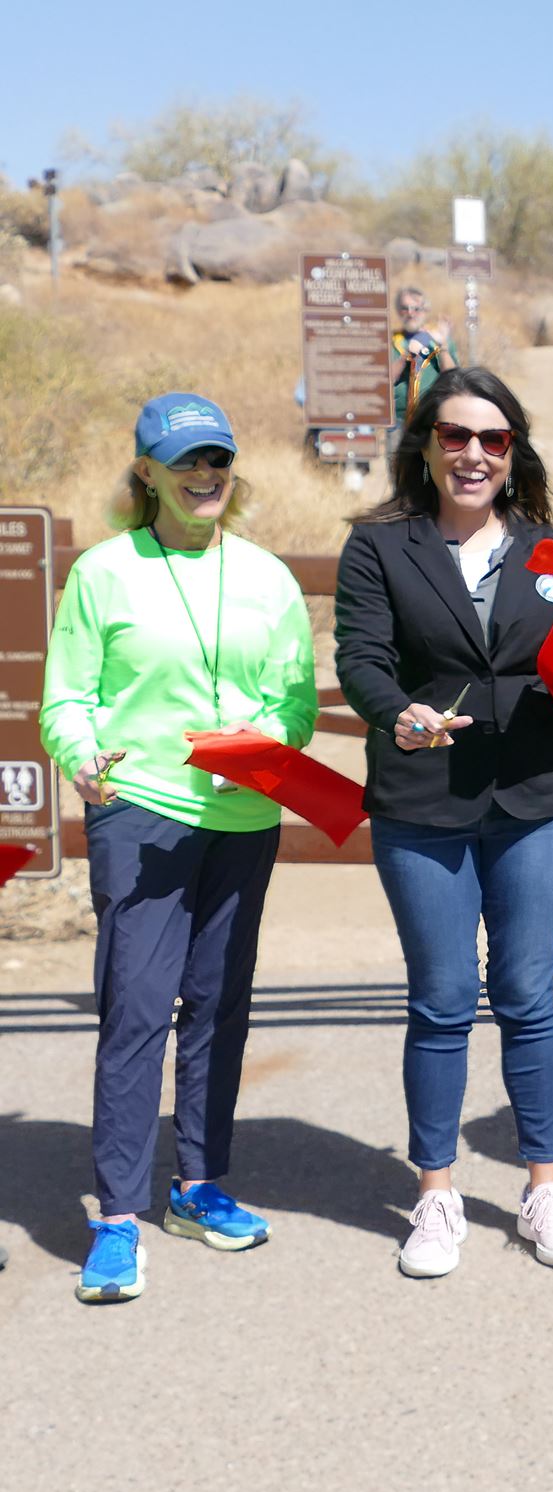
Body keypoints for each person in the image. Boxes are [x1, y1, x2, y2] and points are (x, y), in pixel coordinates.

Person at [38, 393, 318, 1304]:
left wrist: (265, 745)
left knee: (219, 1007)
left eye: (219, 460)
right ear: (147, 471)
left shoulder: (270, 578)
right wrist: (83, 758)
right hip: (141, 810)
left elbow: (298, 705)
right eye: (187, 461)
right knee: (136, 1012)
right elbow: (67, 699)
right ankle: (116, 1216)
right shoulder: (104, 572)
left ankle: (200, 1186)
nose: (207, 476)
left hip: (242, 817)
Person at [333, 367, 553, 1280]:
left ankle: (543, 1190)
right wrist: (395, 712)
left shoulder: (552, 550)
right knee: (442, 999)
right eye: (456, 436)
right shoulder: (379, 547)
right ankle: (437, 1194)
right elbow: (362, 658)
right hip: (423, 799)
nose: (474, 455)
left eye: (493, 439)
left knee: (529, 994)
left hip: (534, 796)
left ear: (514, 452)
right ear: (426, 446)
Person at [390, 286, 456, 426]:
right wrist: (406, 356)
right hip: (398, 422)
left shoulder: (438, 339)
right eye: (404, 308)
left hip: (432, 420)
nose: (410, 313)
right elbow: (384, 381)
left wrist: (443, 346)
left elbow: (453, 378)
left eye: (416, 308)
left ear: (426, 311)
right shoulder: (391, 340)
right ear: (398, 311)